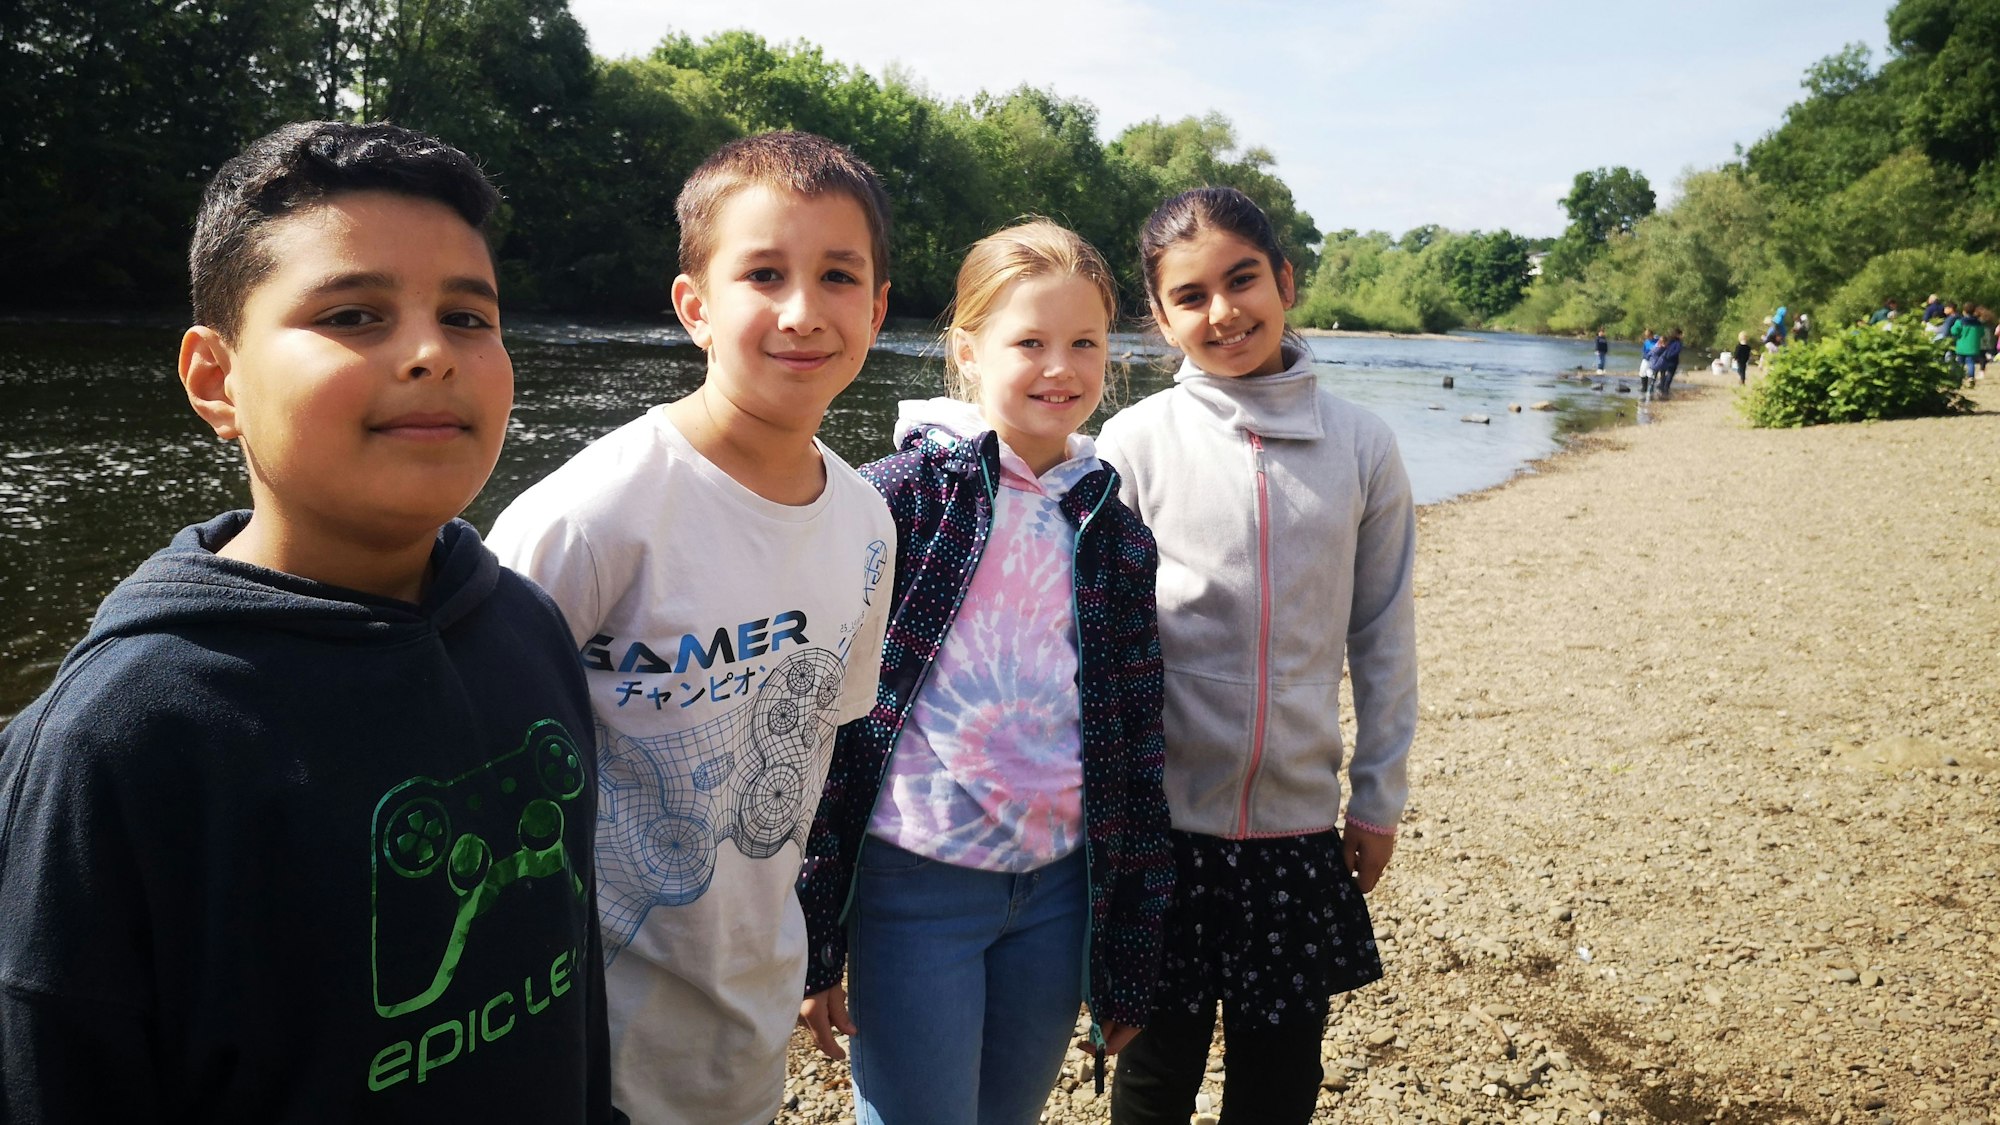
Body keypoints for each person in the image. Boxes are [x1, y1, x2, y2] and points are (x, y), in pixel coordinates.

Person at [0, 121, 614, 1122]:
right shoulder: (123, 736)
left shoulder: (525, 623)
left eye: (467, 316)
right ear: (216, 380)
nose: (431, 353)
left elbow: (569, 978)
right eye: (353, 315)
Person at [485, 131, 897, 1125]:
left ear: (878, 309)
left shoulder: (867, 523)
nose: (803, 311)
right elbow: (473, 773)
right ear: (694, 306)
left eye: (838, 276)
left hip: (746, 1025)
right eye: (764, 274)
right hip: (579, 1044)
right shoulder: (593, 516)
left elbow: (817, 758)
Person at [795, 219, 1173, 1125]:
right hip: (915, 882)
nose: (1061, 368)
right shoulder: (894, 499)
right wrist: (811, 939)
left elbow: (1135, 740)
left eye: (1085, 343)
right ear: (968, 351)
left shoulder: (1113, 530)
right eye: (1030, 342)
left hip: (1059, 891)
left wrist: (1128, 951)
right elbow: (826, 723)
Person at [1094, 187, 1416, 1125]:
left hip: (1297, 831)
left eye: (1242, 281)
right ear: (1160, 319)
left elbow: (1383, 634)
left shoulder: (1363, 446)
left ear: (1285, 280)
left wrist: (1378, 796)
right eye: (1190, 296)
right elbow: (1096, 646)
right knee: (1152, 1072)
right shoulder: (1135, 443)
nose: (1223, 312)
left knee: (1280, 1079)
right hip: (1163, 830)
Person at [1949, 305, 1984, 386]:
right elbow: (1982, 333)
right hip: (1973, 347)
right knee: (1971, 362)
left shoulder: (1960, 321)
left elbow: (1954, 331)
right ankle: (1971, 378)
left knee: (1960, 363)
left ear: (1964, 311)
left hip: (1961, 346)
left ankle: (1959, 378)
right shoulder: (1978, 323)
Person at [1654, 327, 1685, 398]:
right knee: (1670, 375)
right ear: (1678, 334)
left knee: (1664, 374)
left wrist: (1665, 356)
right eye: (1681, 334)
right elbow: (1677, 351)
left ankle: (1661, 386)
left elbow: (1663, 347)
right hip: (1673, 360)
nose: (1682, 336)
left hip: (1665, 359)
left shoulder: (1669, 341)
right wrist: (1669, 356)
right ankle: (1665, 389)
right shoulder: (1678, 343)